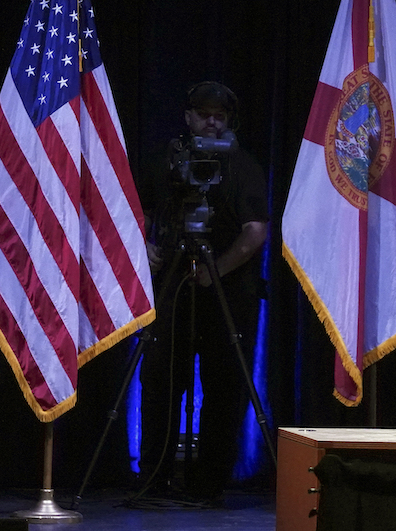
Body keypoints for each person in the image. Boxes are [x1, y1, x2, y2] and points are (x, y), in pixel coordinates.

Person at [137, 81, 268, 504]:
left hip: (228, 293)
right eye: (204, 114)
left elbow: (255, 233)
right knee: (160, 380)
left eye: (220, 116)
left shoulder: (244, 166)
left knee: (225, 386)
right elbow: (137, 210)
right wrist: (145, 248)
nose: (212, 122)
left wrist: (217, 271)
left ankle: (208, 485)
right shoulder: (163, 161)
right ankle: (153, 479)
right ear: (188, 116)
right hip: (174, 284)